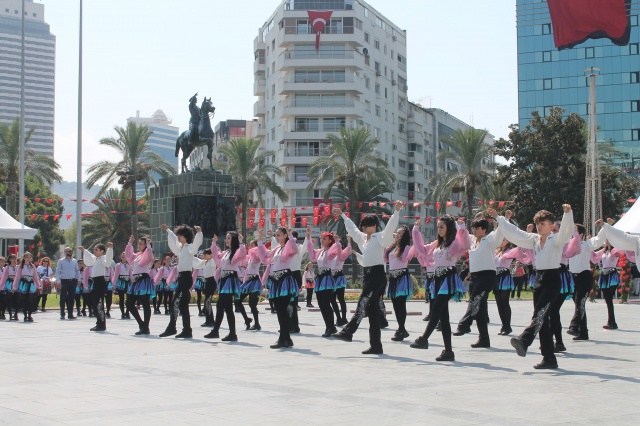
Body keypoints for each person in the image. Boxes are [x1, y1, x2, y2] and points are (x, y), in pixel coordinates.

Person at [490, 204, 574, 370]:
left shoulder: (556, 239)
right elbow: (516, 233)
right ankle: (549, 359)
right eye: (538, 223)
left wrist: (567, 214)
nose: (539, 226)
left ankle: (524, 340)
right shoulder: (534, 240)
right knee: (542, 320)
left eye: (543, 223)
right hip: (538, 279)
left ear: (551, 226)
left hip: (552, 279)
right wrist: (499, 218)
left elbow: (566, 231)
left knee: (540, 314)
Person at [332, 201, 402, 355]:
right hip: (368, 275)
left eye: (367, 224)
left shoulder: (380, 238)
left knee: (363, 301)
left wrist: (396, 212)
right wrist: (343, 215)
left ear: (374, 225)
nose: (363, 227)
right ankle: (376, 346)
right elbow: (353, 229)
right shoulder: (364, 239)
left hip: (378, 275)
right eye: (363, 224)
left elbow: (390, 227)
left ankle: (348, 331)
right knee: (373, 313)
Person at [410, 216, 469, 361]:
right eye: (438, 227)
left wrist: (462, 228)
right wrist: (416, 231)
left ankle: (424, 338)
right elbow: (422, 249)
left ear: (449, 228)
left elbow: (465, 244)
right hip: (437, 279)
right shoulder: (438, 244)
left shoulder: (454, 243)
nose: (439, 230)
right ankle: (448, 352)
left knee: (436, 309)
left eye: (442, 227)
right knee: (444, 317)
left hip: (448, 278)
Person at [451, 216, 504, 348]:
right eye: (473, 227)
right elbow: (463, 235)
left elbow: (499, 233)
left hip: (487, 276)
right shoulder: (473, 241)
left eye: (477, 228)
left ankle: (464, 325)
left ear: (484, 229)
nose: (474, 230)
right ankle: (484, 339)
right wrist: (460, 224)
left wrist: (503, 220)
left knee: (475, 300)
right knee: (480, 309)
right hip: (475, 277)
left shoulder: (489, 240)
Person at [159, 224, 203, 338]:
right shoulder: (181, 248)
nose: (178, 236)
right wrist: (168, 230)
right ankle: (186, 330)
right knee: (183, 305)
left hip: (186, 278)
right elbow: (173, 240)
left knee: (174, 302)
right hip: (181, 277)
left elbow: (196, 246)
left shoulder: (189, 248)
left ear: (185, 236)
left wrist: (199, 233)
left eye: (180, 234)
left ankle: (172, 328)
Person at [567, 222, 605, 341]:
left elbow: (599, 239)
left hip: (584, 276)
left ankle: (574, 326)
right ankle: (583, 333)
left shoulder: (587, 244)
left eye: (575, 231)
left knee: (580, 302)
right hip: (573, 277)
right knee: (579, 304)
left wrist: (605, 226)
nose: (572, 233)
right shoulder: (568, 245)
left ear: (581, 234)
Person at [205, 232, 246, 341]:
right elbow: (216, 256)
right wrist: (214, 243)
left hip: (229, 280)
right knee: (228, 308)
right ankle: (232, 334)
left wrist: (241, 241)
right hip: (224, 280)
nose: (226, 240)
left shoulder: (236, 251)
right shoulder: (227, 252)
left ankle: (216, 331)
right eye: (226, 238)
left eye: (229, 238)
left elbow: (243, 253)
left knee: (220, 305)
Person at [263, 226, 300, 349]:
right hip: (276, 280)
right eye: (276, 235)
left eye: (279, 235)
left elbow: (295, 249)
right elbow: (267, 257)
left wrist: (290, 237)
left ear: (285, 236)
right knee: (280, 310)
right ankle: (287, 339)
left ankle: (283, 338)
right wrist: (258, 243)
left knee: (282, 310)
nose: (277, 237)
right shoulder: (277, 249)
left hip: (285, 280)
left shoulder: (289, 246)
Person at [548, 223, 581, 352]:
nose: (553, 232)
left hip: (561, 276)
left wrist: (575, 233)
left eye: (555, 230)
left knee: (553, 310)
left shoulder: (565, 242)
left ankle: (553, 340)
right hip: (550, 275)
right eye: (552, 230)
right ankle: (558, 342)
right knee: (552, 311)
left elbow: (574, 249)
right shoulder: (548, 240)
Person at [385, 224, 417, 342]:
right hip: (393, 277)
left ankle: (401, 329)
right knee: (395, 304)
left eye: (399, 233)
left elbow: (404, 258)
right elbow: (385, 257)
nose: (397, 235)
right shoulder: (392, 247)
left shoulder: (406, 247)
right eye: (397, 233)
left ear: (404, 236)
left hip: (402, 277)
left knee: (401, 304)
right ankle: (402, 329)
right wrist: (390, 238)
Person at [306, 227, 340, 337]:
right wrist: (309, 238)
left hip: (327, 278)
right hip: (320, 278)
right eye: (322, 238)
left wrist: (337, 241)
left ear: (330, 240)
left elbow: (338, 250)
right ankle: (329, 327)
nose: (322, 240)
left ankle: (330, 327)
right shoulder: (320, 251)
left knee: (326, 303)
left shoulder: (332, 250)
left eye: (325, 238)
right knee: (321, 304)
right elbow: (312, 256)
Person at [124, 236, 156, 335]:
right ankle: (142, 325)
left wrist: (149, 246)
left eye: (141, 244)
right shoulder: (138, 254)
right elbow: (129, 257)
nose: (139, 245)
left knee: (145, 303)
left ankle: (145, 327)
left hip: (143, 280)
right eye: (139, 243)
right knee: (129, 303)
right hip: (136, 281)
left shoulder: (148, 253)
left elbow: (149, 257)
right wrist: (129, 243)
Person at [79, 242, 114, 332]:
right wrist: (84, 250)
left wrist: (110, 249)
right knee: (94, 304)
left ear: (102, 251)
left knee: (99, 304)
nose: (94, 251)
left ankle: (101, 324)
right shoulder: (96, 259)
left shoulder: (103, 258)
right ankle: (99, 323)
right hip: (95, 282)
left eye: (96, 250)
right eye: (94, 250)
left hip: (100, 282)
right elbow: (90, 256)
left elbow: (108, 261)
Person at [236, 232, 267, 331]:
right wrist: (240, 241)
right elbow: (241, 255)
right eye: (249, 245)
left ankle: (257, 323)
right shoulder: (249, 258)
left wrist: (260, 240)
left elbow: (260, 250)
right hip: (247, 282)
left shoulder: (257, 257)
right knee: (237, 300)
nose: (250, 247)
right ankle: (247, 319)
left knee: (252, 304)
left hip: (254, 281)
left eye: (252, 245)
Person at [590, 240, 623, 330]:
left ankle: (611, 322)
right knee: (608, 300)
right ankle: (612, 322)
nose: (607, 241)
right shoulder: (603, 251)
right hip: (604, 275)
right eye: (606, 240)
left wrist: (623, 240)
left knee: (608, 297)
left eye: (609, 239)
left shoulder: (615, 250)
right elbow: (593, 255)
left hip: (612, 275)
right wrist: (590, 244)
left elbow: (622, 249)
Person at [329, 234, 351, 326]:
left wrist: (349, 240)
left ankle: (344, 318)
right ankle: (338, 318)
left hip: (339, 277)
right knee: (332, 299)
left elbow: (348, 249)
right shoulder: (331, 255)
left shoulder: (342, 255)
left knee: (341, 299)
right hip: (332, 277)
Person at [15, 252, 41, 322]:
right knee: (24, 300)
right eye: (27, 257)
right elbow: (17, 277)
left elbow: (35, 276)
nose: (28, 258)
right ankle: (25, 315)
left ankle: (29, 315)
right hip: (24, 283)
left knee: (30, 300)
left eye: (29, 257)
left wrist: (38, 285)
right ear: (24, 258)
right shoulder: (21, 266)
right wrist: (15, 287)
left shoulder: (32, 266)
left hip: (30, 282)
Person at [56, 247, 80, 320]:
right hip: (64, 280)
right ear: (65, 252)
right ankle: (62, 314)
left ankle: (70, 314)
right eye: (68, 251)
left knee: (72, 298)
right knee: (63, 297)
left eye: (71, 251)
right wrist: (58, 281)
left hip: (72, 281)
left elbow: (77, 271)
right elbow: (57, 271)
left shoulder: (74, 261)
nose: (70, 252)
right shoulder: (61, 261)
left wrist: (78, 279)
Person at [197, 247, 218, 328]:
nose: (204, 256)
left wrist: (214, 247)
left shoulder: (212, 261)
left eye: (206, 254)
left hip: (211, 282)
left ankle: (210, 321)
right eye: (204, 254)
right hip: (206, 282)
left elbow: (215, 256)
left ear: (210, 255)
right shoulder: (205, 262)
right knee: (206, 302)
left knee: (207, 302)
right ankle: (209, 320)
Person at [113, 253, 132, 319]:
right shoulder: (118, 265)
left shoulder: (129, 265)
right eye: (123, 257)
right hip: (121, 281)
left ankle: (127, 312)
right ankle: (122, 313)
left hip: (128, 282)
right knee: (121, 298)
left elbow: (131, 275)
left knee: (129, 298)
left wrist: (133, 283)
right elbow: (116, 275)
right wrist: (114, 284)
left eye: (125, 257)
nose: (124, 258)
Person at [0, 254, 18, 320]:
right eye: (12, 258)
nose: (14, 260)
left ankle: (15, 313)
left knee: (17, 299)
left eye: (15, 258)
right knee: (7, 299)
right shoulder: (7, 268)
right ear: (10, 259)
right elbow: (4, 277)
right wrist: (1, 285)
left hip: (16, 282)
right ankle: (9, 314)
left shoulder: (18, 267)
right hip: (9, 283)